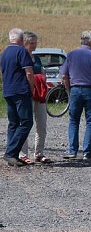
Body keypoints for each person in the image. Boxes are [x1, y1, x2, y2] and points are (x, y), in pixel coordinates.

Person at [60, 31, 91, 160]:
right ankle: (87, 151)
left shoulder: (70, 55)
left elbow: (64, 76)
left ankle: (72, 151)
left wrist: (68, 90)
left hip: (75, 90)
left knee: (73, 120)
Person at [1, 28, 35, 167]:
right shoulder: (21, 51)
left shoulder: (3, 53)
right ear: (21, 39)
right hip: (21, 91)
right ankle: (11, 153)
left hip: (8, 91)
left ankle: (12, 155)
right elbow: (29, 73)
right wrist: (31, 88)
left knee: (13, 123)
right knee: (26, 122)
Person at [21, 31, 51, 165]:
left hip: (39, 95)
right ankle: (23, 154)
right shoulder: (22, 57)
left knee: (42, 125)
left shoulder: (36, 58)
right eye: (32, 43)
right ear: (25, 43)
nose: (34, 45)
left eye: (35, 42)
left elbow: (42, 71)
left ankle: (39, 153)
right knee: (26, 124)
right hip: (27, 94)